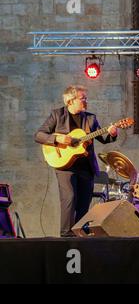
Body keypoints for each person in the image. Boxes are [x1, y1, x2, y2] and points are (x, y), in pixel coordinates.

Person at [35, 85, 118, 237]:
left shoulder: (91, 119)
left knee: (84, 200)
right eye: (83, 98)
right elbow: (39, 135)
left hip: (85, 167)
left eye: (86, 98)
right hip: (64, 166)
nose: (86, 101)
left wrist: (112, 133)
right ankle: (66, 234)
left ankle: (79, 232)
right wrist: (57, 138)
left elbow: (104, 139)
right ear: (70, 101)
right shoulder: (57, 115)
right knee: (69, 196)